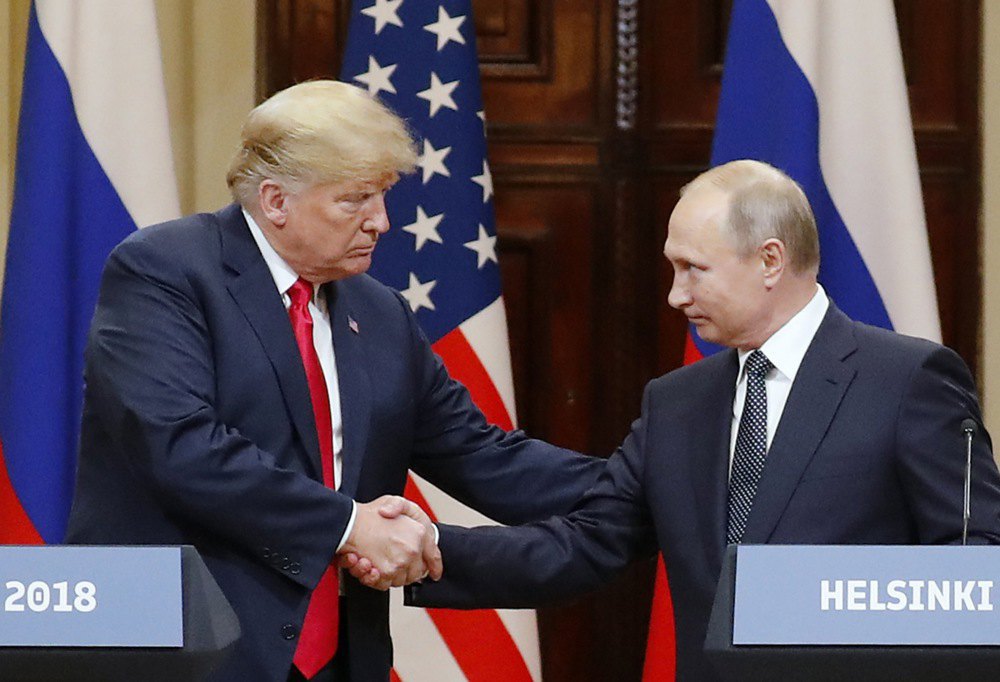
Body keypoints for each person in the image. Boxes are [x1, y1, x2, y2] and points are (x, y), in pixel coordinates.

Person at [65, 80, 604, 682]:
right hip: (187, 642)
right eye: (355, 200)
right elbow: (182, 447)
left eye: (383, 196)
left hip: (340, 655)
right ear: (275, 201)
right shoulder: (165, 271)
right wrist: (351, 527)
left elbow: (478, 452)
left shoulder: (379, 313)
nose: (381, 221)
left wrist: (643, 487)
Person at [397, 160, 1000, 681]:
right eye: (673, 269)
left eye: (694, 269)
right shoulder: (677, 402)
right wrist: (427, 549)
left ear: (770, 260)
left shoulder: (907, 380)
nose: (675, 296)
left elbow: (975, 572)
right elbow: (586, 541)